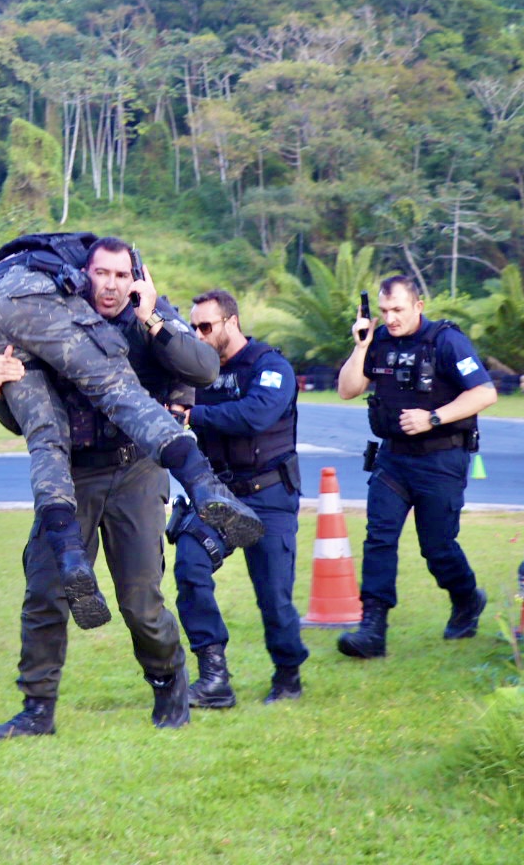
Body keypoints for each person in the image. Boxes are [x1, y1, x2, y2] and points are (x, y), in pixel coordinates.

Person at [0, 232, 261, 730]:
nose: (112, 285)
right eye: (102, 273)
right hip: (72, 474)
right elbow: (23, 421)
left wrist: (152, 319)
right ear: (84, 274)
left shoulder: (149, 313)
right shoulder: (55, 315)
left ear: (135, 278)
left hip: (135, 469)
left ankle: (169, 687)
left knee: (140, 601)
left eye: (123, 275)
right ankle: (37, 709)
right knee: (46, 591)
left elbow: (204, 367)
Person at [335, 274, 496, 659]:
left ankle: (467, 598)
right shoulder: (378, 341)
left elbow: (485, 392)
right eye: (385, 310)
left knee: (437, 548)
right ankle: (372, 628)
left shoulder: (445, 340)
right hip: (393, 459)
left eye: (399, 310)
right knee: (379, 538)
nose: (391, 318)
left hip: (441, 458)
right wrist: (360, 346)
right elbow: (348, 389)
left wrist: (434, 418)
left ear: (418, 306)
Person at [173, 289, 308, 707]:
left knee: (274, 598)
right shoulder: (197, 372)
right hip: (219, 495)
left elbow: (255, 416)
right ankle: (214, 678)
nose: (198, 334)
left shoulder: (271, 366)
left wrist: (194, 415)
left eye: (206, 326)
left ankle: (288, 676)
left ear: (231, 322)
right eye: (193, 327)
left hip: (268, 495)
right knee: (190, 568)